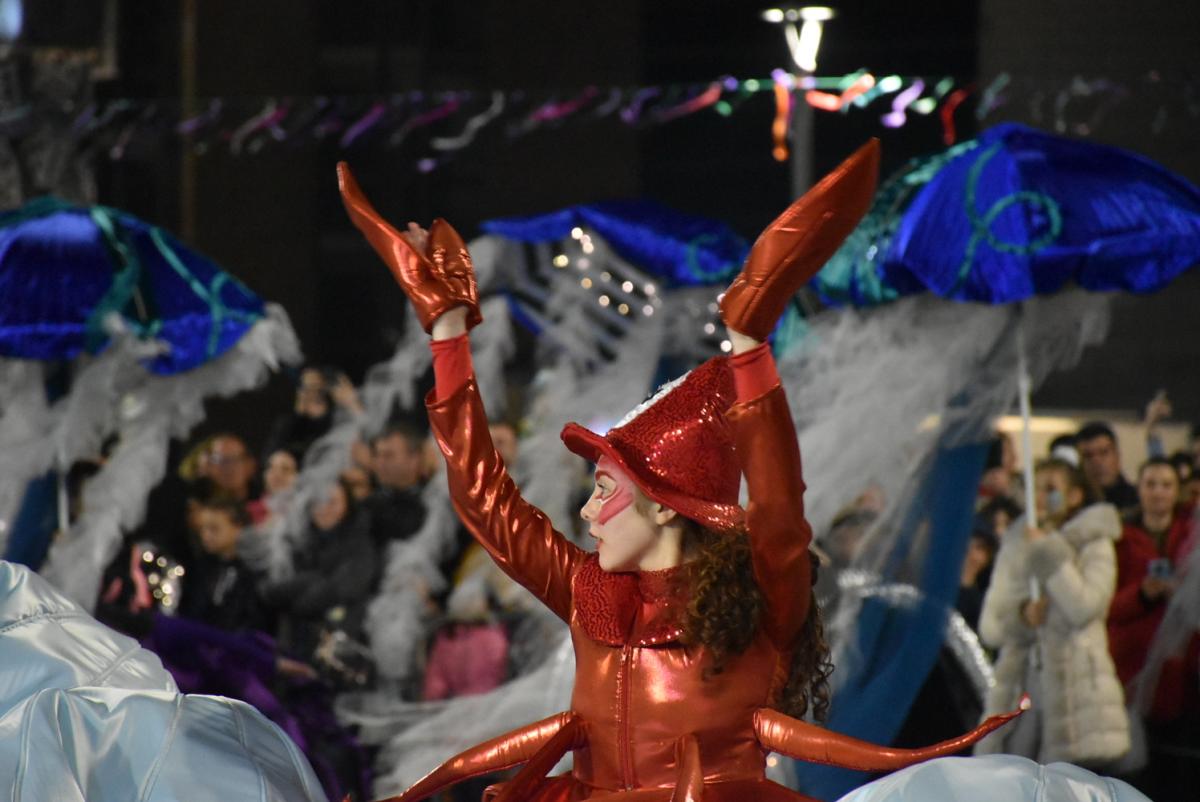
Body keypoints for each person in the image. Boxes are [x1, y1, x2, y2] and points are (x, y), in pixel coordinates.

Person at [337, 140, 1025, 802]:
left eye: (603, 490)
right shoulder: (589, 591)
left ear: (666, 504)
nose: (586, 511)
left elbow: (779, 511)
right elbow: (484, 499)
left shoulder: (759, 603)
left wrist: (750, 349)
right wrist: (448, 336)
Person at [976, 458, 1129, 767]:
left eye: (1050, 488)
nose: (1040, 497)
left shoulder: (1094, 543)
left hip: (1077, 700)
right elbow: (991, 626)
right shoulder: (1016, 543)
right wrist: (1022, 615)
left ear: (1074, 495)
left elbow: (1084, 607)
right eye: (1034, 488)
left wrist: (1047, 552)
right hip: (1022, 692)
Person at [1077, 422, 1139, 512]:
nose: (1097, 462)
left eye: (1103, 452)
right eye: (1088, 455)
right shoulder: (1074, 507)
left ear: (1117, 456)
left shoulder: (1140, 503)